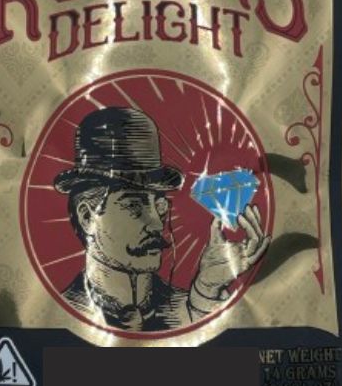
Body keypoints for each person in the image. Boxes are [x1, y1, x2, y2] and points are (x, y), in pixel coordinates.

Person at [53, 106, 269, 331]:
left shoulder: (197, 305)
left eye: (160, 205)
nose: (157, 223)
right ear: (87, 216)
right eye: (134, 206)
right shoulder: (61, 317)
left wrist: (207, 289)